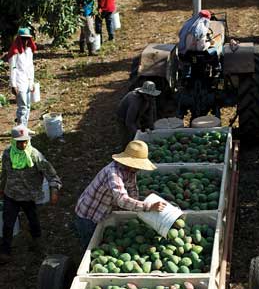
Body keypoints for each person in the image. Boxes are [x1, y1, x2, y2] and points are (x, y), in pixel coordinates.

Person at [74, 140, 166, 249]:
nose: (139, 169)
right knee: (90, 244)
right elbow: (122, 200)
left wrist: (145, 201)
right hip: (88, 215)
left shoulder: (130, 171)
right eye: (137, 166)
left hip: (104, 210)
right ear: (129, 162)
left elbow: (132, 191)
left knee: (100, 238)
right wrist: (148, 207)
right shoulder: (113, 173)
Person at [0, 125, 62, 264]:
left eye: (25, 141)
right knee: (8, 223)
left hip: (29, 196)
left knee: (33, 221)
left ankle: (37, 244)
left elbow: (52, 175)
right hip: (11, 194)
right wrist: (2, 188)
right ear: (13, 141)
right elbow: (4, 173)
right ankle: (5, 251)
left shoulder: (34, 155)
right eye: (19, 142)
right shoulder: (7, 154)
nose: (22, 144)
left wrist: (54, 190)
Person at [116, 80, 161, 148]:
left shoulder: (151, 98)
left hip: (137, 114)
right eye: (148, 95)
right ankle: (125, 151)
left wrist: (152, 127)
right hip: (123, 117)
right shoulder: (135, 101)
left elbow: (151, 112)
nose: (150, 97)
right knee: (128, 138)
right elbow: (129, 122)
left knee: (139, 129)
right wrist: (139, 134)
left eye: (151, 95)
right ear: (143, 93)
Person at [8, 27, 37, 127]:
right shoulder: (15, 53)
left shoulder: (29, 51)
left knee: (28, 106)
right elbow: (13, 69)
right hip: (19, 82)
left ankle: (24, 127)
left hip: (27, 81)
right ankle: (20, 128)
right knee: (23, 107)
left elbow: (30, 67)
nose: (26, 41)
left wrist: (32, 82)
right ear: (19, 39)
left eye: (27, 39)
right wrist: (13, 85)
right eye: (23, 39)